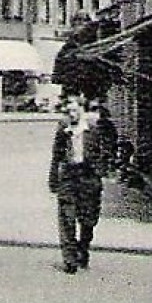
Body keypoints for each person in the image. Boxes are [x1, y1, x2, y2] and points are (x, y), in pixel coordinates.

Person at [49, 105, 105, 273]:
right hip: (68, 178)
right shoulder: (63, 131)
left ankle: (83, 249)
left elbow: (105, 152)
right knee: (67, 217)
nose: (71, 115)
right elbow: (56, 156)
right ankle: (70, 259)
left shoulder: (93, 131)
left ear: (82, 112)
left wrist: (99, 171)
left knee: (88, 220)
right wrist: (53, 180)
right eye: (68, 112)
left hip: (88, 178)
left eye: (74, 111)